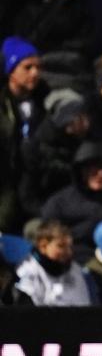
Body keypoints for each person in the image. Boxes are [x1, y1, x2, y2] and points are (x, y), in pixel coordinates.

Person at [1, 37, 47, 230]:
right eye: (27, 67)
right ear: (11, 71)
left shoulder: (47, 101)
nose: (35, 73)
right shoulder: (3, 105)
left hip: (39, 185)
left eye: (38, 67)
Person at [15, 219, 95, 306]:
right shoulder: (27, 271)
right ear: (43, 246)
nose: (68, 252)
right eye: (61, 246)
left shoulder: (76, 270)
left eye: (69, 246)